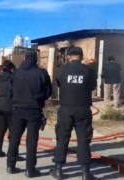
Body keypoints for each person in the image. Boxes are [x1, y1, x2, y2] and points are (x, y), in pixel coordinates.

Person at [49, 47, 97, 180]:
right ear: (81, 56)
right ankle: (85, 173)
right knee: (83, 140)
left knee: (62, 138)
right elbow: (92, 86)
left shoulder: (61, 70)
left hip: (66, 109)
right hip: (83, 109)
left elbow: (59, 84)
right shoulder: (89, 71)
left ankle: (58, 170)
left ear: (69, 56)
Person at [6, 50, 52, 178]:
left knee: (14, 138)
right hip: (34, 110)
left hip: (17, 109)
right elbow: (48, 92)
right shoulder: (41, 73)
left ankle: (10, 165)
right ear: (35, 59)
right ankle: (30, 170)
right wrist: (39, 98)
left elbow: (10, 90)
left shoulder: (16, 73)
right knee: (31, 140)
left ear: (25, 58)